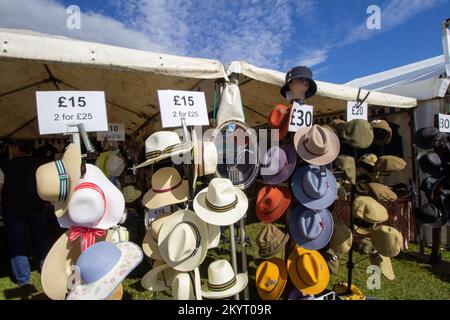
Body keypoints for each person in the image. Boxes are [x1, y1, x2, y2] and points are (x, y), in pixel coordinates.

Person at [0, 140, 49, 287]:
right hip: (36, 205)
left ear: (16, 147)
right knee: (41, 239)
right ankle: (46, 268)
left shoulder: (5, 165)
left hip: (13, 208)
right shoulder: (40, 164)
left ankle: (24, 279)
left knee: (17, 243)